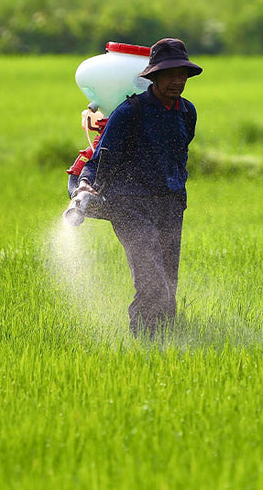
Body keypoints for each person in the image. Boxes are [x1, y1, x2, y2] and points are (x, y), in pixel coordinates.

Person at [75, 38, 202, 337]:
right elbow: (101, 156)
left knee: (169, 282)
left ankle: (167, 339)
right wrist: (85, 184)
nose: (177, 80)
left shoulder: (187, 112)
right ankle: (143, 341)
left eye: (182, 74)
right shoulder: (130, 112)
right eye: (170, 74)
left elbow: (178, 157)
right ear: (153, 76)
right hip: (129, 205)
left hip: (170, 204)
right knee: (152, 281)